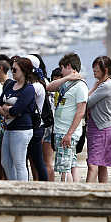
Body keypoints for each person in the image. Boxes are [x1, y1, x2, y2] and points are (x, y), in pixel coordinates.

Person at [47, 53, 89, 182]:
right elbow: (49, 87)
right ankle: (75, 190)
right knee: (71, 164)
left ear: (69, 66)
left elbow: (80, 112)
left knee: (64, 169)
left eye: (62, 69)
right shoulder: (67, 83)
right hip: (62, 130)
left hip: (67, 131)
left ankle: (67, 192)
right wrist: (67, 78)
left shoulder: (80, 86)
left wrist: (69, 134)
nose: (62, 72)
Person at [0, 57, 40, 181]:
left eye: (15, 70)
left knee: (19, 163)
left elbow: (17, 110)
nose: (12, 72)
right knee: (5, 162)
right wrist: (7, 111)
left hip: (22, 129)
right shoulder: (10, 84)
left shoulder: (29, 89)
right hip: (9, 128)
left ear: (24, 71)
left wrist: (7, 109)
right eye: (12, 69)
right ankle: (13, 185)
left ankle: (23, 189)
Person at [85, 56, 111, 183]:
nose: (94, 71)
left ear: (105, 70)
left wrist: (94, 87)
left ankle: (85, 194)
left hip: (102, 130)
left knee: (93, 164)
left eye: (96, 70)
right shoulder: (104, 84)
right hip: (100, 128)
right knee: (101, 164)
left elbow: (87, 102)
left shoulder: (106, 86)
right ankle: (102, 192)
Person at [25, 55, 49, 182]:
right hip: (36, 126)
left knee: (37, 161)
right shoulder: (39, 84)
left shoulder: (35, 87)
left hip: (34, 126)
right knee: (37, 161)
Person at [43, 67, 63, 182]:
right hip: (52, 128)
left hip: (51, 129)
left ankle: (50, 185)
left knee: (48, 162)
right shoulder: (53, 93)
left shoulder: (52, 93)